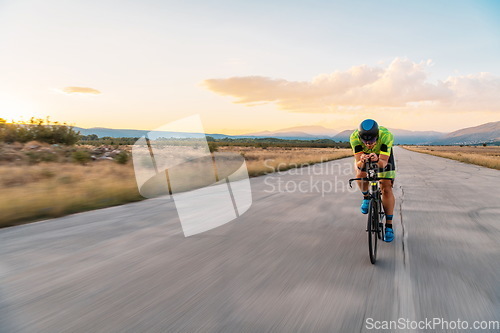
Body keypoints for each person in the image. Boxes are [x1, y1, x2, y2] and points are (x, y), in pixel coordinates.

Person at [350, 119, 396, 242]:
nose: (369, 144)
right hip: (365, 156)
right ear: (360, 137)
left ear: (377, 136)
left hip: (382, 157)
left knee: (386, 187)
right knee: (360, 174)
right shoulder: (354, 137)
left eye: (372, 141)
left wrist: (376, 159)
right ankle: (366, 197)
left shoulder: (386, 136)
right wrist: (363, 160)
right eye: (365, 141)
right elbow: (359, 164)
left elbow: (383, 163)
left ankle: (389, 226)